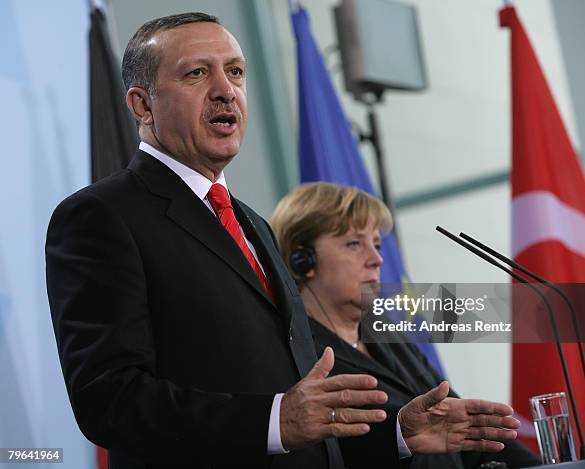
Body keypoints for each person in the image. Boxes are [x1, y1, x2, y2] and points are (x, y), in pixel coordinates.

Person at [46, 13, 520, 469]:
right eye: (196, 74)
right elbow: (108, 398)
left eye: (235, 72)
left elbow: (303, 421)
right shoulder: (101, 217)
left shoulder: (253, 225)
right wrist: (273, 421)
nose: (225, 91)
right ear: (141, 105)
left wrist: (396, 436)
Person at [270, 182, 541, 469]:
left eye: (375, 244)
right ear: (303, 260)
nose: (377, 259)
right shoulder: (297, 354)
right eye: (354, 244)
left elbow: (467, 428)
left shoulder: (384, 332)